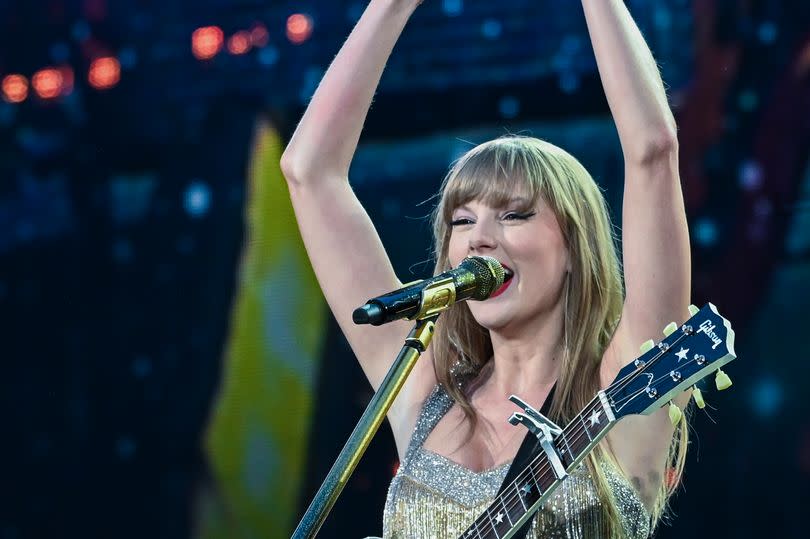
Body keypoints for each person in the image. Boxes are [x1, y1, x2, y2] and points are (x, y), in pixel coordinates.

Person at [280, 0, 691, 537]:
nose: (479, 238)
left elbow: (653, 150)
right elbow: (308, 172)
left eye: (515, 215)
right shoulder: (423, 388)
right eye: (461, 221)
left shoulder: (623, 390)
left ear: (574, 248)